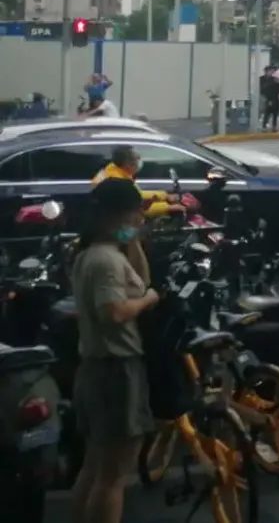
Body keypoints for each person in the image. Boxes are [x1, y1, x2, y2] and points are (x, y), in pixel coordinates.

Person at [69, 177, 161, 523]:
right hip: (116, 371)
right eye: (136, 214)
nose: (140, 220)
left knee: (95, 468)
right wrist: (149, 300)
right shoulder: (105, 261)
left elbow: (141, 279)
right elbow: (114, 312)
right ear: (116, 215)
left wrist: (132, 241)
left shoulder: (92, 254)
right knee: (113, 477)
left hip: (97, 367)